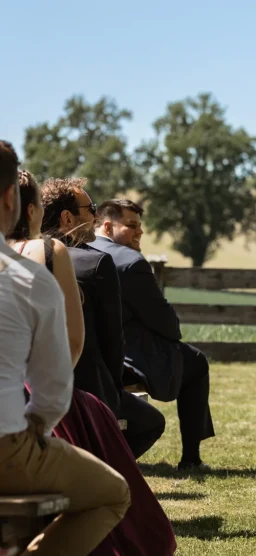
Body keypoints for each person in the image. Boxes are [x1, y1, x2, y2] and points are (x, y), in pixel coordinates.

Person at [7, 172, 175, 556]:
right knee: (114, 489)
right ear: (29, 209)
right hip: (47, 401)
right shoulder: (51, 253)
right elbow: (72, 345)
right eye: (88, 210)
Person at [0, 140, 130, 556]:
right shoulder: (31, 278)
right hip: (7, 446)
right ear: (12, 200)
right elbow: (55, 387)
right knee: (113, 494)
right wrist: (33, 429)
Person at [39, 177, 165, 459]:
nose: (96, 216)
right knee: (152, 422)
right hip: (88, 386)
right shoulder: (94, 263)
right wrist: (114, 392)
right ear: (67, 217)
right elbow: (112, 339)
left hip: (31, 384)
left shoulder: (23, 255)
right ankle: (101, 472)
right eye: (90, 208)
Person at [91, 199, 215, 470]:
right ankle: (191, 458)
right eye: (132, 226)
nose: (139, 233)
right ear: (108, 225)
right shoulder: (131, 263)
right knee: (196, 362)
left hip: (88, 354)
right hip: (125, 359)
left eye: (140, 227)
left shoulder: (75, 250)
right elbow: (166, 324)